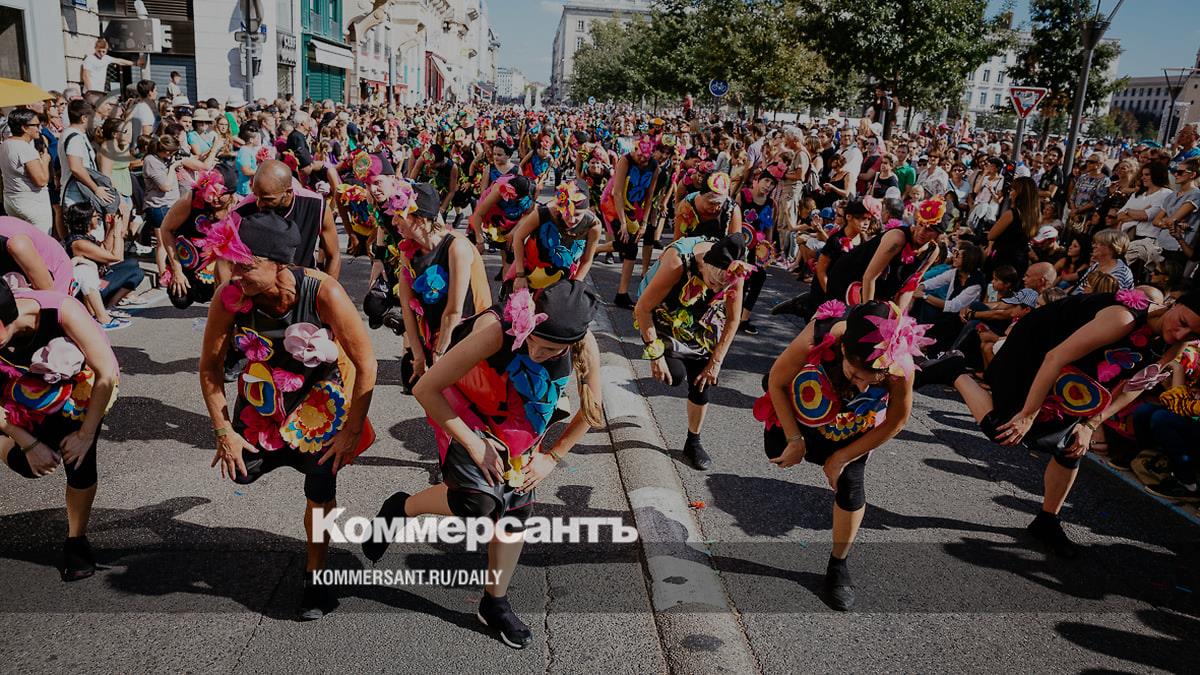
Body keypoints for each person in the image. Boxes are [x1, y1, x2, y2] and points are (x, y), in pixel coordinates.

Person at [362, 280, 602, 649]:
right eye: (533, 339)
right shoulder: (494, 331)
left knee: (514, 512)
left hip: (520, 424)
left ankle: (494, 602)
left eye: (551, 349)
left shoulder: (587, 346)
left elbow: (592, 410)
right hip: (465, 412)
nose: (536, 350)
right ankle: (401, 508)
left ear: (572, 344)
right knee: (478, 503)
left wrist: (551, 457)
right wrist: (474, 444)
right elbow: (427, 389)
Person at [199, 210, 377, 620]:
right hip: (263, 405)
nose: (234, 275)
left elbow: (366, 363)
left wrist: (351, 430)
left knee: (319, 487)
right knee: (242, 471)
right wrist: (223, 429)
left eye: (245, 266)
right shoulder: (230, 296)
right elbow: (210, 367)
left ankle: (316, 574)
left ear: (279, 263)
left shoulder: (323, 293)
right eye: (231, 264)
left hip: (319, 408)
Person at [933, 289, 1200, 557]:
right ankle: (953, 370)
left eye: (1192, 335)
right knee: (1004, 428)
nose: (1180, 336)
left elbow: (1132, 386)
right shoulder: (1122, 318)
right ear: (1173, 303)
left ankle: (1047, 520)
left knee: (1071, 444)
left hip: (1079, 372)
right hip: (1036, 348)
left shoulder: (1174, 346)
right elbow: (1055, 357)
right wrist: (1028, 413)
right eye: (1183, 323)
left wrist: (1090, 424)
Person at [760, 300, 928, 610]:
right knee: (776, 448)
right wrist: (795, 440)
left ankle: (838, 565)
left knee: (851, 487)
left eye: (873, 379)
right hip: (808, 405)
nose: (863, 383)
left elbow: (897, 421)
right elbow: (776, 381)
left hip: (856, 422)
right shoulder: (819, 335)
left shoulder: (899, 366)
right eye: (855, 375)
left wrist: (842, 457)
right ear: (842, 352)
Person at [0, 281, 119, 581]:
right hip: (12, 393)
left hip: (74, 390)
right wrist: (24, 440)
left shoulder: (62, 311)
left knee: (78, 459)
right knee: (30, 465)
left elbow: (107, 373)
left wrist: (85, 435)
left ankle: (76, 539)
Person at [635, 234, 748, 470]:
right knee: (674, 376)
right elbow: (643, 309)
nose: (717, 290)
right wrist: (655, 355)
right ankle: (667, 355)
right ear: (704, 265)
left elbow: (733, 319)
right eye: (715, 284)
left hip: (702, 318)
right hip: (664, 313)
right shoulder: (678, 262)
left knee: (702, 380)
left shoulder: (734, 272)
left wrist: (716, 362)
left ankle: (693, 442)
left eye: (723, 288)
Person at [390, 182, 491, 389]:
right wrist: (418, 354)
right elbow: (407, 305)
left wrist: (439, 353)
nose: (393, 221)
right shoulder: (408, 250)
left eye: (400, 216)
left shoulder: (457, 247)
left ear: (422, 219)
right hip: (433, 336)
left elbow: (455, 310)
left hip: (466, 336)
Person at [235, 160, 341, 278]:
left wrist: (325, 291)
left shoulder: (315, 205)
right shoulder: (241, 212)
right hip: (257, 290)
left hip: (302, 286)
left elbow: (333, 255)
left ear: (288, 192)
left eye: (267, 199)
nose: (259, 203)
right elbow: (226, 264)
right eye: (256, 195)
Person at [158, 166, 239, 309]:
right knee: (181, 301)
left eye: (220, 194)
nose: (214, 198)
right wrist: (177, 271)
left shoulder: (239, 207)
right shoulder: (192, 198)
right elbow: (166, 229)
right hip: (187, 262)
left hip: (219, 267)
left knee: (225, 304)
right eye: (211, 192)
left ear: (232, 193)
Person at [509, 180, 601, 292]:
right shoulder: (543, 213)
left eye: (577, 214)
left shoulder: (593, 225)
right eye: (567, 213)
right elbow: (518, 237)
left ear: (586, 210)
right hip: (530, 273)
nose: (572, 220)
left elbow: (586, 260)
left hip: (563, 281)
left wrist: (575, 286)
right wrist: (520, 275)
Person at [602, 136, 660, 309]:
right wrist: (623, 224)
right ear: (635, 150)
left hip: (633, 206)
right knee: (628, 244)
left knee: (629, 244)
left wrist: (643, 223)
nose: (643, 159)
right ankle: (622, 294)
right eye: (640, 155)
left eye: (646, 156)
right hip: (612, 203)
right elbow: (617, 193)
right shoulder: (625, 161)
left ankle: (622, 293)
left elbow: (650, 197)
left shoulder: (654, 167)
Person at [736, 167, 781, 334]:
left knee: (759, 278)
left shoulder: (771, 203)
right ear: (757, 180)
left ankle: (744, 318)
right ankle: (732, 314)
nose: (768, 186)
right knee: (741, 280)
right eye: (766, 181)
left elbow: (769, 228)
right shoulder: (743, 196)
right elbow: (733, 219)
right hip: (741, 244)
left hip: (760, 247)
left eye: (772, 184)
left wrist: (768, 251)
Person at [0, 109, 53, 233]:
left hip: (12, 200)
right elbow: (41, 181)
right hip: (32, 203)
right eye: (36, 125)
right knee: (42, 244)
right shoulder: (25, 148)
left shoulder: (5, 144)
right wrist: (45, 161)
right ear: (24, 127)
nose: (39, 129)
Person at [985, 176, 1038, 275]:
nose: (1010, 193)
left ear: (1020, 194)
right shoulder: (1035, 216)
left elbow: (991, 236)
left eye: (1013, 190)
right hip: (1021, 261)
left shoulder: (1011, 214)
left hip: (1004, 261)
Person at [1070, 229, 1135, 294]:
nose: (1094, 246)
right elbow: (1079, 287)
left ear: (1112, 247)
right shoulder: (1096, 265)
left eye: (1099, 243)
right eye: (1094, 243)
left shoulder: (1120, 272)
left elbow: (1105, 300)